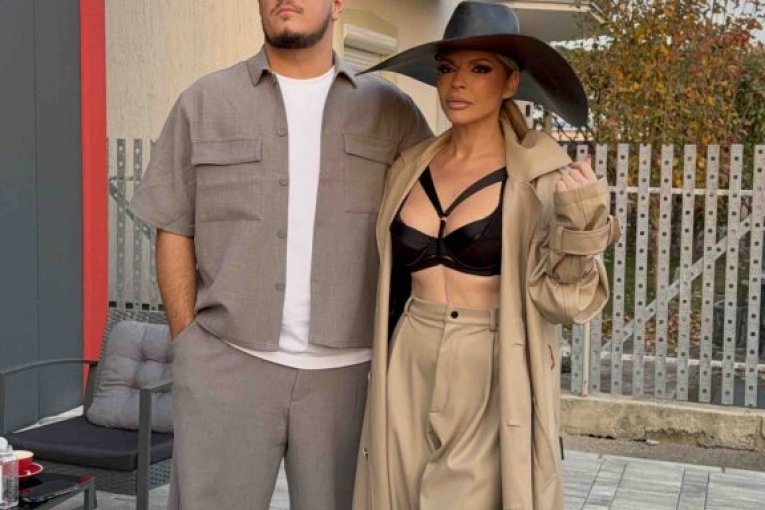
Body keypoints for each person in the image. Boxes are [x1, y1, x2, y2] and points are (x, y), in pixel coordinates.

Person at [129, 0, 431, 508]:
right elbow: (174, 226)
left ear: (338, 4)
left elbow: (446, 200)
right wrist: (189, 343)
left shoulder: (391, 111)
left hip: (350, 378)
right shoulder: (203, 103)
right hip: (227, 364)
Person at [352, 2, 620, 509]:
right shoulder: (408, 167)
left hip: (491, 359)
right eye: (447, 68)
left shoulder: (540, 177)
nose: (458, 83)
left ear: (510, 82)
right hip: (408, 350)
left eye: (479, 69)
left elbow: (568, 303)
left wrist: (582, 222)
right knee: (399, 491)